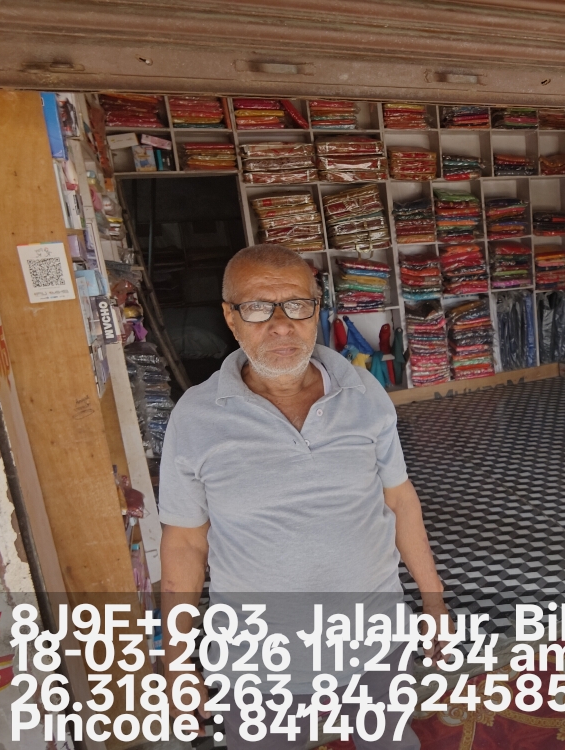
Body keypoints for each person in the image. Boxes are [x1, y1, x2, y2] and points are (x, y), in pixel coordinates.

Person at [159, 244, 447, 750]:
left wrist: (433, 599)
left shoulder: (364, 392)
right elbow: (184, 542)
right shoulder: (195, 417)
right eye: (257, 308)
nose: (280, 326)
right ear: (230, 317)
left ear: (317, 310)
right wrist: (178, 660)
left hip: (375, 640)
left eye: (296, 305)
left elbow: (400, 499)